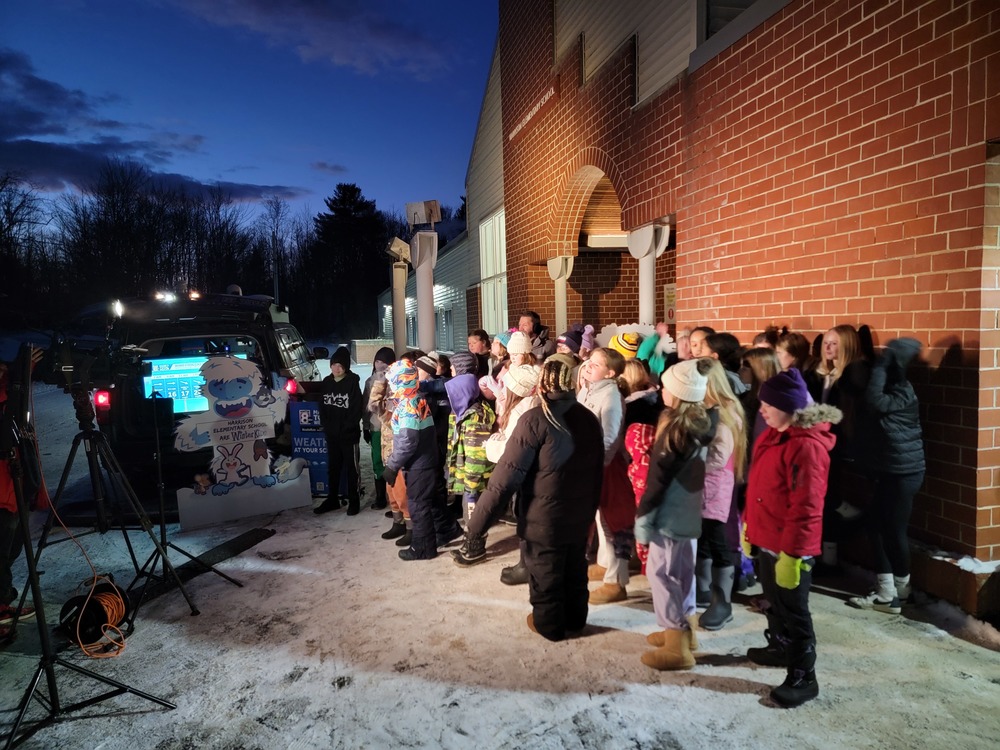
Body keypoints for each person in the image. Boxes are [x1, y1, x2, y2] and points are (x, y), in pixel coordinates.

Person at [453, 359, 605, 641]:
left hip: (543, 519)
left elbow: (504, 481)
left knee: (545, 573)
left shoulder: (535, 419)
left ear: (543, 385)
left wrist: (476, 525)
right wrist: (591, 510)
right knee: (574, 567)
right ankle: (575, 618)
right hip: (579, 513)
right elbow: (598, 473)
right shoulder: (587, 417)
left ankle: (549, 625)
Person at [743, 368, 842, 707]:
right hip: (768, 540)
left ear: (789, 406)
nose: (762, 410)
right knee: (772, 600)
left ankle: (803, 675)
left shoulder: (806, 447)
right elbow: (760, 490)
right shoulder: (773, 435)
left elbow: (807, 506)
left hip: (790, 549)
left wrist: (794, 554)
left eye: (768, 404)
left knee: (795, 610)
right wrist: (750, 530)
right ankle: (780, 647)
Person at [635, 358, 715, 671]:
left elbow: (657, 480)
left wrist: (645, 517)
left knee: (661, 574)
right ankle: (686, 629)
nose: (661, 391)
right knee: (682, 571)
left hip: (669, 514)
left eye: (666, 387)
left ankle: (676, 644)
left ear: (679, 394)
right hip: (689, 511)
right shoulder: (701, 422)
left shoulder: (674, 429)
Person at [848, 338, 925, 613]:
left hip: (903, 473)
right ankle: (894, 592)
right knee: (880, 527)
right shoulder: (897, 387)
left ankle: (894, 593)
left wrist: (882, 364)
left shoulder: (902, 391)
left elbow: (874, 401)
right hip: (894, 471)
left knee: (891, 530)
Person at [383, 360, 461, 561]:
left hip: (419, 464)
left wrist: (392, 465)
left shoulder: (408, 405)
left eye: (393, 381)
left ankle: (423, 548)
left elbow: (408, 441)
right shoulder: (416, 398)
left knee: (418, 505)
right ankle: (448, 529)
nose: (391, 385)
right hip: (427, 459)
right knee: (432, 499)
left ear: (402, 381)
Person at [580, 347, 634, 604]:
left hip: (605, 467)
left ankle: (616, 581)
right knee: (600, 520)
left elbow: (610, 437)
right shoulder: (589, 388)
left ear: (610, 373)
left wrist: (596, 466)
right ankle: (604, 563)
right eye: (589, 361)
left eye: (596, 364)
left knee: (612, 522)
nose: (588, 366)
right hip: (590, 464)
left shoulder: (611, 395)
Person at [696, 360, 747, 631]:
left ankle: (722, 601)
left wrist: (691, 459)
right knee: (704, 536)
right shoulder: (706, 407)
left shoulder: (725, 412)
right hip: (703, 484)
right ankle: (703, 589)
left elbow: (717, 456)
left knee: (718, 540)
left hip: (715, 485)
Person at [0, 346, 45, 635]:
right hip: (3, 489)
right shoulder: (7, 393)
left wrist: (21, 375)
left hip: (18, 483)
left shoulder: (11, 390)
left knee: (12, 549)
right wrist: (18, 376)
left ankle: (3, 603)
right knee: (0, 551)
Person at [444, 351, 496, 529]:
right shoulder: (459, 413)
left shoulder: (474, 418)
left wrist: (471, 488)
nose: (450, 369)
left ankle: (474, 544)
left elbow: (476, 456)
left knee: (474, 519)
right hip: (467, 481)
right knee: (470, 515)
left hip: (473, 483)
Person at [315, 346, 363, 515]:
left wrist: (345, 428)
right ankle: (332, 499)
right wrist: (327, 427)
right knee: (333, 467)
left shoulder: (352, 383)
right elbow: (322, 407)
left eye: (340, 365)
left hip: (348, 436)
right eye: (334, 364)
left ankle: (354, 500)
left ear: (346, 367)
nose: (337, 368)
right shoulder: (327, 382)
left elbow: (356, 410)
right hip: (332, 435)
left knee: (352, 468)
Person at [362, 347, 395, 510]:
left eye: (383, 361)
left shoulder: (397, 379)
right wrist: (365, 426)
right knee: (377, 461)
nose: (379, 365)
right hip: (376, 427)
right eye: (377, 361)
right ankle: (381, 496)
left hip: (391, 428)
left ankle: (395, 498)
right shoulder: (370, 381)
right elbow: (365, 406)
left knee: (393, 461)